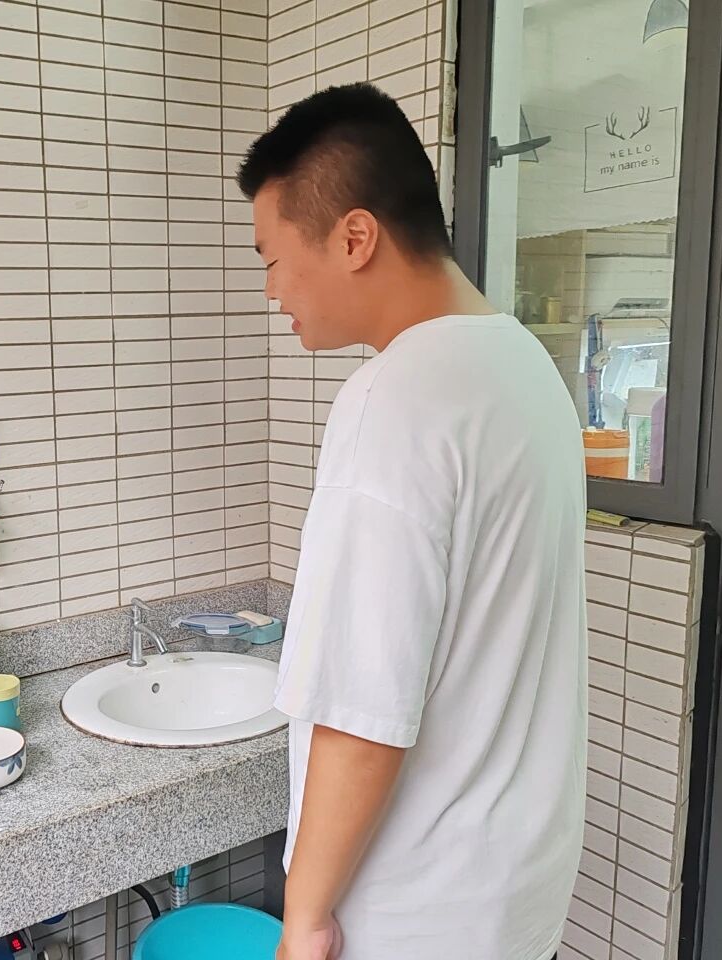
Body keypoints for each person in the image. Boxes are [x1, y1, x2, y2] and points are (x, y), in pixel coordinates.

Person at [238, 83, 585, 960]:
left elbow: (363, 710)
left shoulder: (390, 401)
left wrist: (305, 916)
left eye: (273, 259)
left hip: (413, 912)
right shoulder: (525, 366)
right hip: (515, 896)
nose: (272, 290)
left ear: (355, 238)